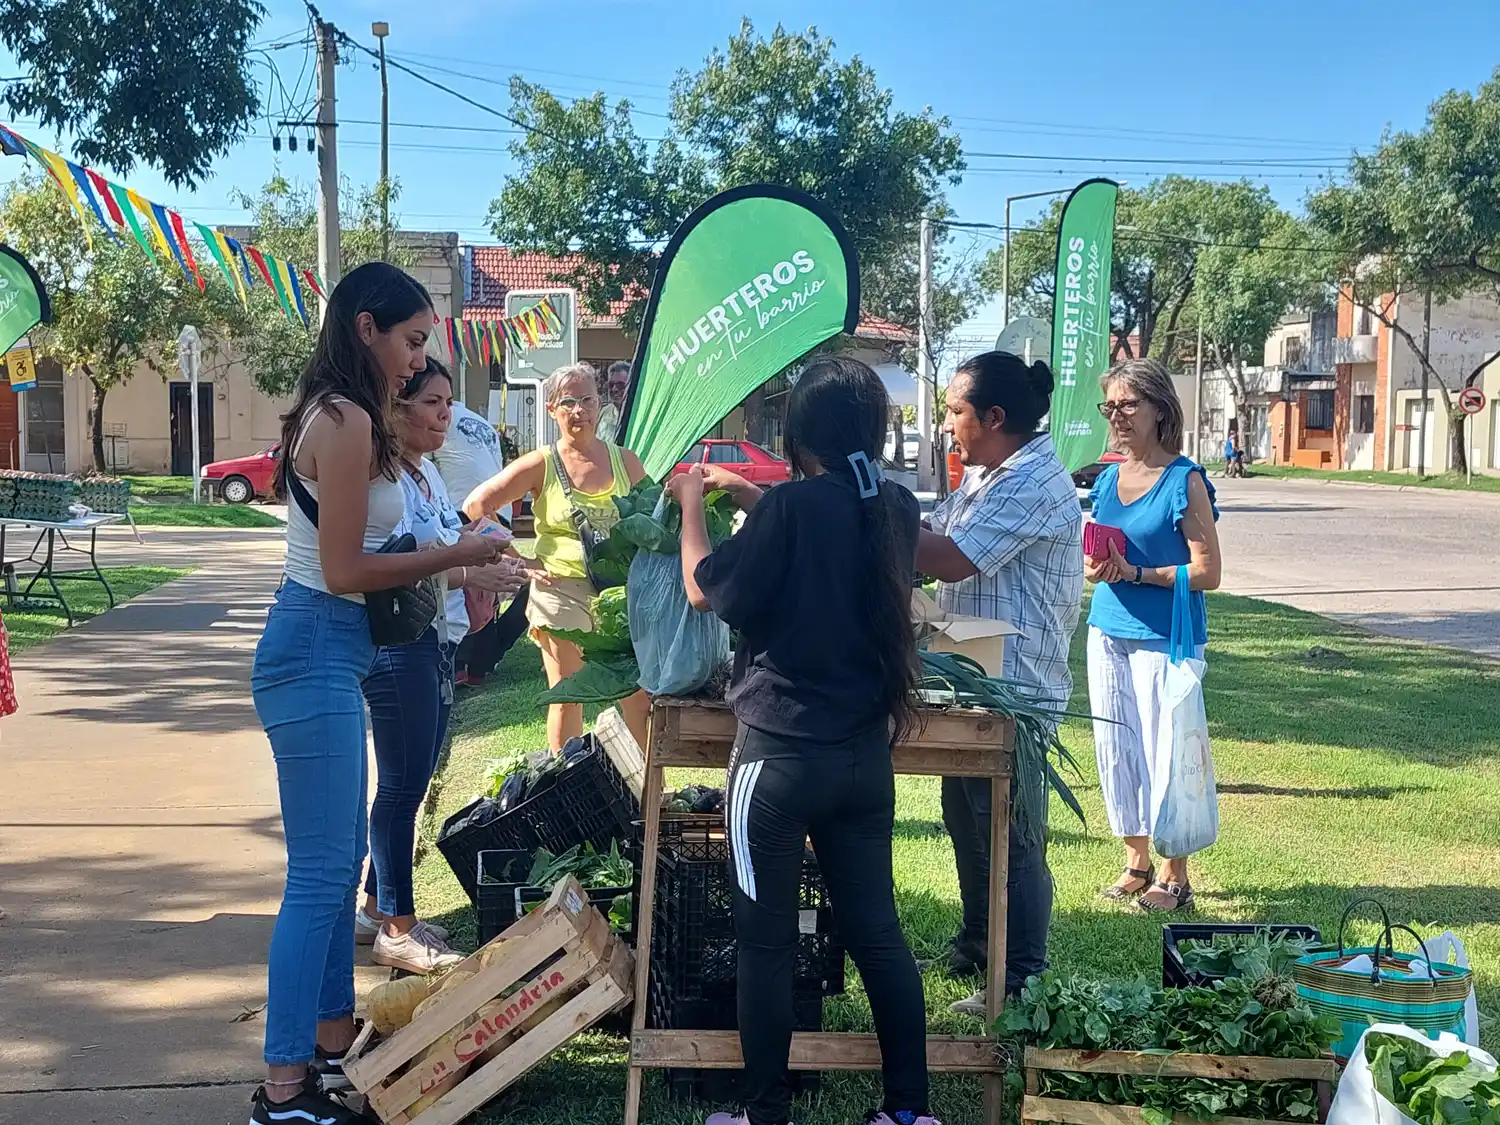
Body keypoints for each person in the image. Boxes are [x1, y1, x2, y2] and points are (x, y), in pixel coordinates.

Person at [249, 262, 506, 1125]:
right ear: (366, 328)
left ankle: (326, 1047)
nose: (417, 360)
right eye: (411, 341)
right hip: (315, 642)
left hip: (329, 646)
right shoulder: (349, 417)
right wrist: (458, 558)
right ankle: (284, 1091)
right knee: (323, 877)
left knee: (325, 871)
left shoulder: (343, 411)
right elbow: (347, 569)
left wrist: (464, 548)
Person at [670, 356, 941, 1125]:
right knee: (878, 934)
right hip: (863, 761)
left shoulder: (790, 512)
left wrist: (693, 502)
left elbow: (702, 586)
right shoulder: (894, 508)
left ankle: (764, 1112)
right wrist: (759, 498)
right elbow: (834, 522)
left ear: (797, 434)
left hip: (777, 762)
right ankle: (908, 1110)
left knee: (765, 944)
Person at [914, 351, 1083, 1019]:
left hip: (1017, 692)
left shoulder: (1031, 482)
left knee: (1010, 835)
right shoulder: (989, 477)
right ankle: (978, 947)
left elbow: (949, 556)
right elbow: (935, 530)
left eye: (955, 410)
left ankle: (1021, 979)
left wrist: (855, 514)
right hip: (976, 682)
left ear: (993, 416)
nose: (948, 422)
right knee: (966, 817)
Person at [355, 359, 532, 973]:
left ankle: (380, 905)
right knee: (403, 786)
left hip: (435, 639)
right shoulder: (383, 482)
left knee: (413, 778)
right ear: (396, 410)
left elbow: (438, 551)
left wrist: (482, 563)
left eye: (448, 403)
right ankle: (397, 927)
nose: (445, 416)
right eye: (432, 403)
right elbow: (399, 571)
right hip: (399, 644)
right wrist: (469, 568)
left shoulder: (426, 473)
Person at [1085, 357, 1222, 914]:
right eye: (1109, 406)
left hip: (1164, 635)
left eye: (1127, 405)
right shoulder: (1109, 477)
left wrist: (1140, 574)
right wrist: (1100, 568)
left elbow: (1209, 573)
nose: (1116, 416)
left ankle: (1175, 873)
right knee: (1118, 751)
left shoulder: (1183, 480)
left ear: (1160, 409)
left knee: (1166, 751)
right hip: (1107, 629)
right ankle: (1136, 861)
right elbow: (1100, 552)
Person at [463, 362, 651, 752]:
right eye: (569, 402)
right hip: (558, 593)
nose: (580, 411)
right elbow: (476, 505)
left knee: (638, 694)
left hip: (619, 597)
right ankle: (565, 785)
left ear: (600, 404)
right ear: (552, 410)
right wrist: (518, 562)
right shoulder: (541, 463)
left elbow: (655, 514)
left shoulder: (626, 461)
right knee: (568, 695)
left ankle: (645, 794)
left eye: (587, 400)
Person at [430, 394, 532, 687]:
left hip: (464, 515)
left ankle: (467, 665)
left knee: (472, 592)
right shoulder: (482, 423)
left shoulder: (435, 422)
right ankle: (482, 661)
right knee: (492, 591)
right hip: (497, 516)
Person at [596, 360, 631, 443]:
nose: (614, 389)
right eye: (611, 385)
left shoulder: (640, 413)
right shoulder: (602, 412)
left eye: (620, 385)